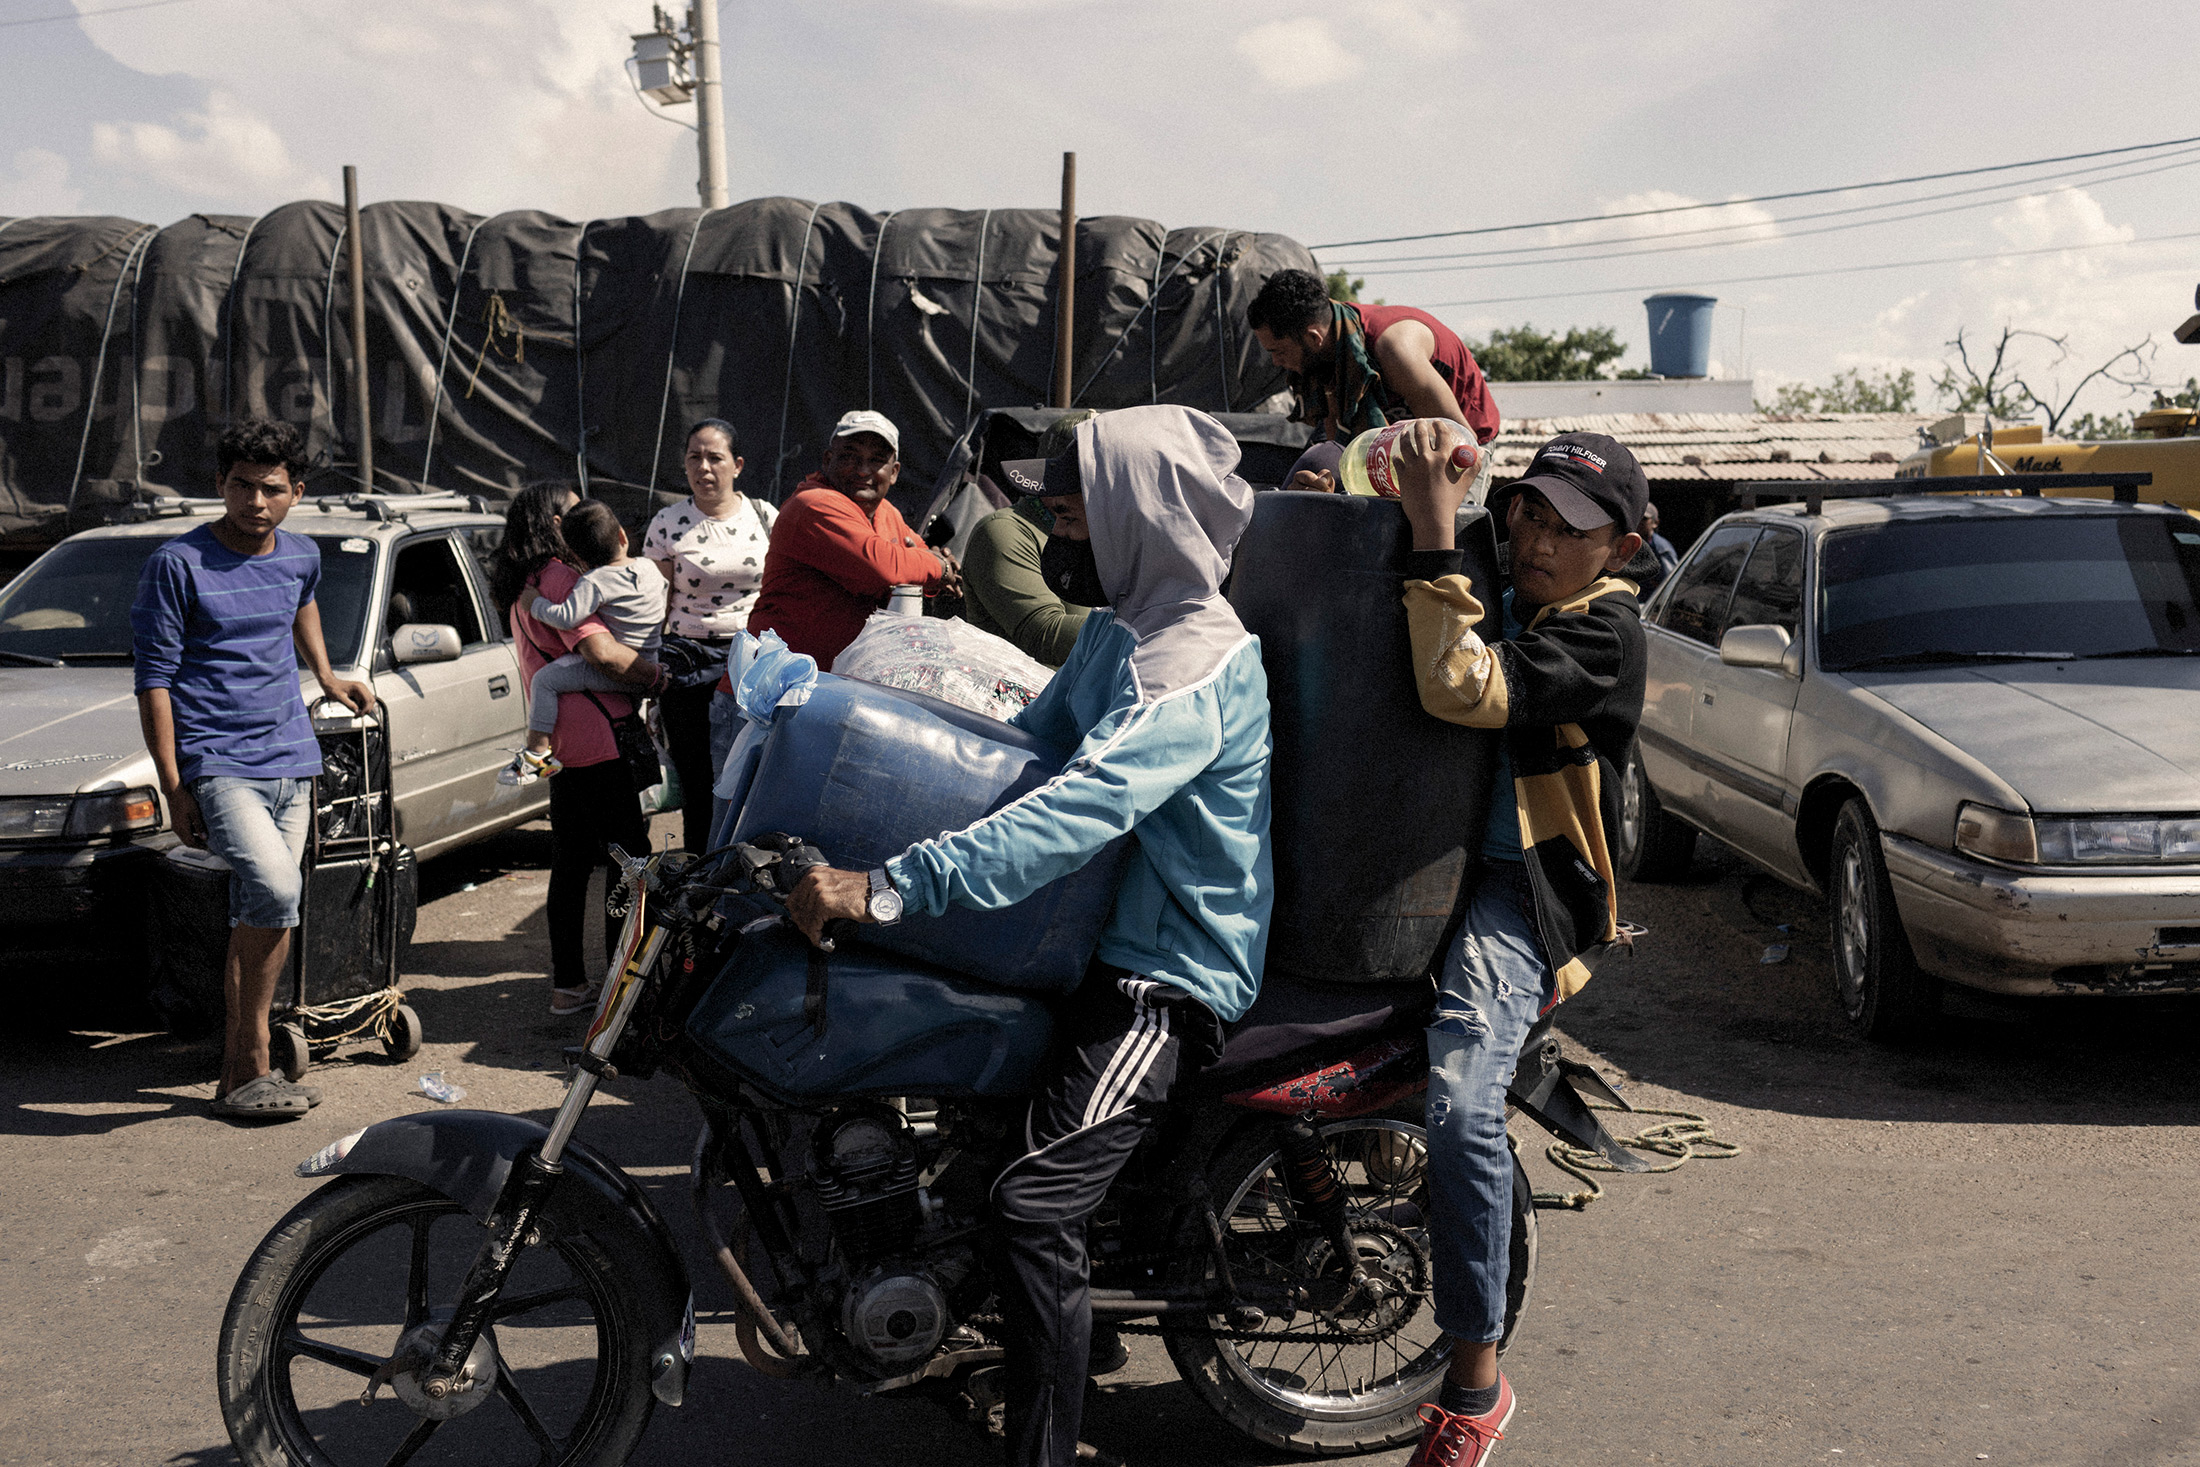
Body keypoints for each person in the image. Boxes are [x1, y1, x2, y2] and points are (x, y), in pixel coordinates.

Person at [786, 405, 1274, 1467]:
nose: (1055, 544)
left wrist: (889, 886)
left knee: (1030, 1203)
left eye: (1070, 519)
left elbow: (1072, 811)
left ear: (1133, 520)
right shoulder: (1120, 631)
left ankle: (1042, 1449)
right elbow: (1018, 748)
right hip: (1083, 938)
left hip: (1164, 973)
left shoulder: (1186, 666)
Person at [1387, 425, 1648, 1467]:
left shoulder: (1602, 634)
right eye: (1530, 513)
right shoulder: (1505, 579)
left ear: (1621, 549)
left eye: (1570, 529)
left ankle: (1474, 1383)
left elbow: (1463, 686)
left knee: (1459, 1107)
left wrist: (1427, 532)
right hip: (1414, 861)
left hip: (1513, 892)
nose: (1538, 540)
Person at [130, 419, 376, 1122]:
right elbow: (154, 681)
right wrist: (174, 785)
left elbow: (300, 601)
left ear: (296, 493)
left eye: (272, 488)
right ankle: (256, 1054)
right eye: (241, 485)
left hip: (291, 756)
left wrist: (326, 674)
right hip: (217, 760)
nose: (255, 501)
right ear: (220, 485)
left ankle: (238, 1074)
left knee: (263, 906)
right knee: (273, 886)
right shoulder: (177, 564)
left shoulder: (300, 555)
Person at [486, 484, 656, 1016]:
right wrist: (656, 676)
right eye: (574, 507)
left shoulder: (523, 584)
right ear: (556, 522)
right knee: (629, 862)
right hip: (601, 736)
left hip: (562, 743)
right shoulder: (562, 580)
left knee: (571, 866)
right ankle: (621, 985)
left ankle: (569, 987)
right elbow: (602, 653)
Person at [647, 418, 777, 854]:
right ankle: (700, 886)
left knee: (753, 776)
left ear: (737, 465)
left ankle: (748, 876)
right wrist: (647, 672)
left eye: (715, 457)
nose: (704, 468)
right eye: (693, 457)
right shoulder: (668, 523)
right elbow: (655, 605)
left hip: (753, 665)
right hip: (688, 669)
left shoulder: (765, 517)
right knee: (701, 784)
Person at [1246, 268, 1501, 492]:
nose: (1276, 362)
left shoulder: (1396, 351)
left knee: (1448, 531)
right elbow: (1338, 447)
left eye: (1278, 351)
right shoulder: (1326, 355)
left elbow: (1458, 444)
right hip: (1404, 447)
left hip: (1465, 440)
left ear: (1314, 337)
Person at [745, 409, 960, 668]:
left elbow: (918, 564)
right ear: (827, 461)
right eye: (850, 456)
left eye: (877, 460)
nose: (862, 470)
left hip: (835, 685)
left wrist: (932, 570)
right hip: (773, 689)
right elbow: (883, 566)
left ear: (894, 472)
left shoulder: (885, 512)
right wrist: (939, 567)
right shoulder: (814, 503)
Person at [501, 500, 667, 786]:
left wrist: (535, 604)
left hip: (617, 670)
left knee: (545, 680)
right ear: (622, 537)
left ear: (576, 554)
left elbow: (567, 617)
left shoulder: (593, 582)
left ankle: (536, 755)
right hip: (647, 661)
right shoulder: (650, 568)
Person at [960, 410, 1099, 666]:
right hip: (1024, 701)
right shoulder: (1004, 532)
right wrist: (1148, 630)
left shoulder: (1105, 533)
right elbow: (1045, 633)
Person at [1642, 501, 1680, 574]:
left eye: (1644, 519)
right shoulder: (1630, 542)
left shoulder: (1661, 548)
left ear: (1655, 523)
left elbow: (1670, 578)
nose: (1639, 522)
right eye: (1637, 517)